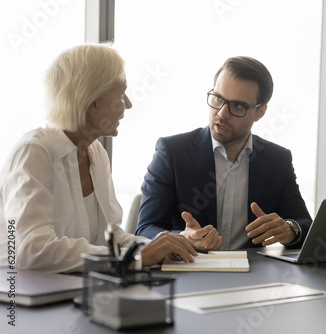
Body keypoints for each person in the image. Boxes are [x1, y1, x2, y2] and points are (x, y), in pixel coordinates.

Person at [0, 43, 198, 273]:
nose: (129, 104)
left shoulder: (96, 153)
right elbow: (31, 250)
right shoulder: (33, 152)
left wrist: (156, 246)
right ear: (92, 100)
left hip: (75, 290)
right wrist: (136, 258)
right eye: (121, 94)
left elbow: (109, 235)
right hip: (21, 299)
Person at [137, 56, 312, 251]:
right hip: (191, 273)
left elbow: (305, 224)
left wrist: (290, 229)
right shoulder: (172, 152)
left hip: (253, 276)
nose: (221, 113)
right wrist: (183, 238)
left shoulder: (277, 160)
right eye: (218, 98)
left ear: (260, 112)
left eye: (238, 106)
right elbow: (145, 229)